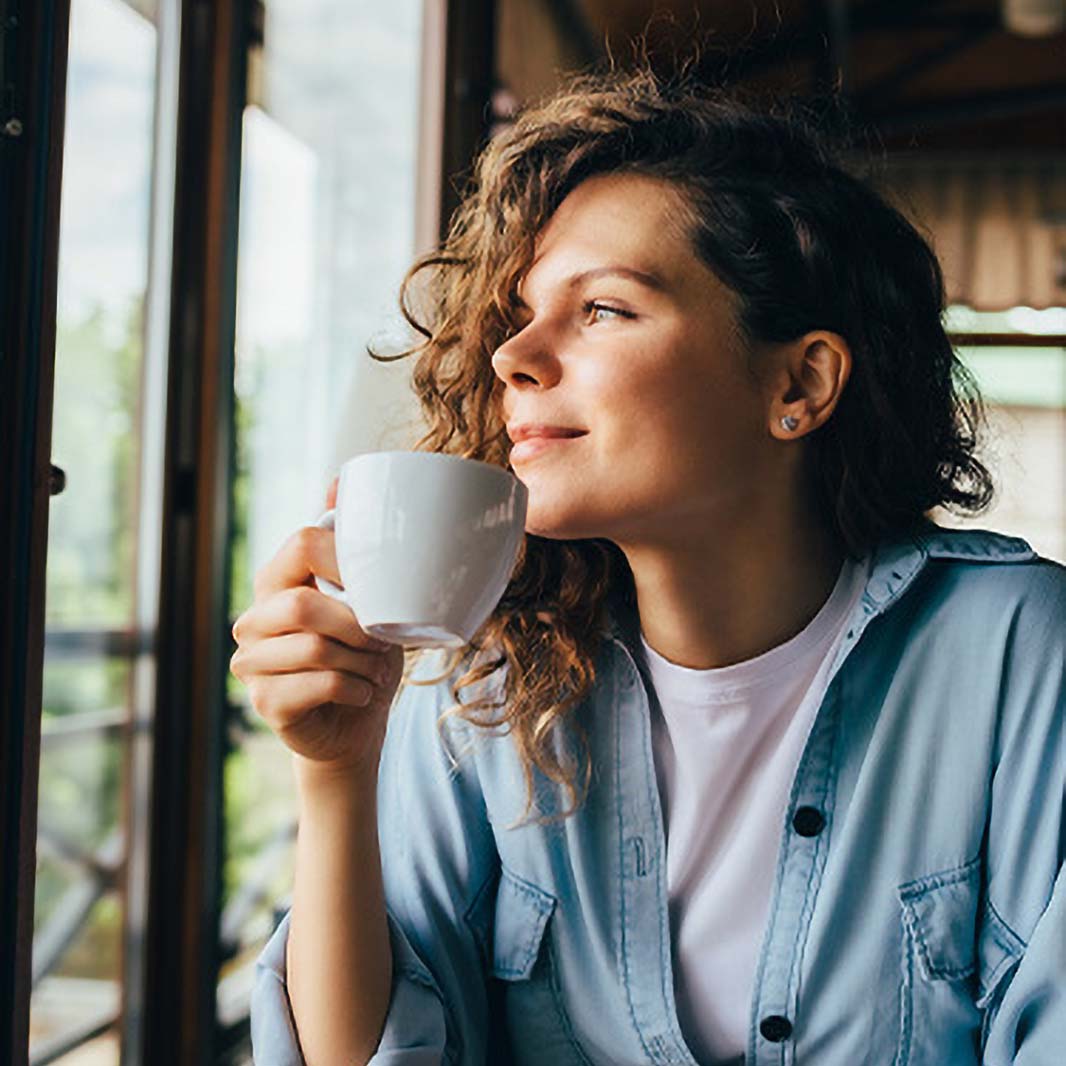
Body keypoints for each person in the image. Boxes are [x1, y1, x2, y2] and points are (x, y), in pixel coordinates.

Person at [232, 64, 1066, 1066]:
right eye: (521, 314)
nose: (513, 356)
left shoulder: (1019, 652)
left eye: (604, 310)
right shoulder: (484, 691)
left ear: (798, 381)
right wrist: (334, 774)